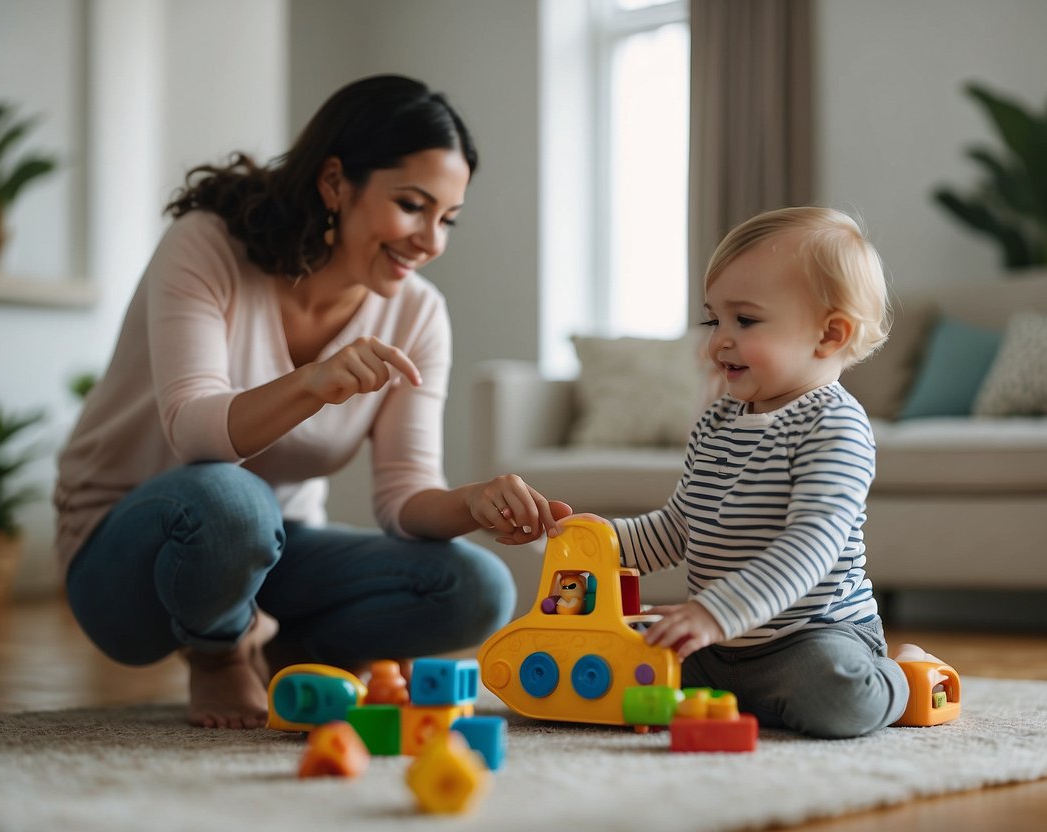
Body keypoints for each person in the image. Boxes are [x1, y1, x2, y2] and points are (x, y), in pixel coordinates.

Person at [54, 74, 567, 730]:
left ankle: (299, 654)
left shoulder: (417, 314)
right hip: (129, 550)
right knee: (231, 502)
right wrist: (310, 383)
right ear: (334, 183)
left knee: (476, 587)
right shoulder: (207, 246)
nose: (430, 240)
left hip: (273, 551)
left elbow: (403, 497)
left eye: (447, 219)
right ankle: (219, 654)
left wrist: (471, 502)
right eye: (412, 205)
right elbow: (195, 434)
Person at [581, 206, 934, 738]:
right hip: (716, 639)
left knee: (836, 700)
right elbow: (680, 526)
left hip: (811, 636)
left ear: (829, 335)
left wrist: (714, 612)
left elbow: (810, 545)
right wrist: (592, 541)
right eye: (713, 319)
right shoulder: (717, 420)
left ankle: (902, 675)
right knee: (620, 663)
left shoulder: (834, 424)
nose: (718, 340)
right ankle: (746, 696)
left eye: (744, 321)